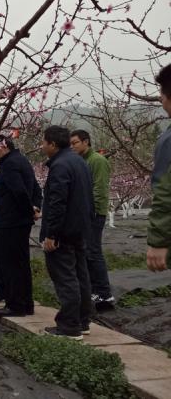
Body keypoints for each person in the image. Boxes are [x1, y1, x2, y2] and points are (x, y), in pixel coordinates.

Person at [40, 125, 94, 340]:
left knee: (65, 277)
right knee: (81, 274)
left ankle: (70, 326)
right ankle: (82, 320)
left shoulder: (60, 166)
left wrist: (52, 234)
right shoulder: (78, 161)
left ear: (53, 144)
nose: (42, 146)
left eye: (44, 142)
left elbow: (58, 202)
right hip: (80, 228)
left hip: (63, 231)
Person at [0, 136, 42, 317]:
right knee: (21, 264)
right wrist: (34, 207)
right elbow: (36, 188)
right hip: (19, 221)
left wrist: (29, 210)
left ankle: (15, 305)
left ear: (3, 148)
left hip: (10, 221)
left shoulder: (9, 164)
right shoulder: (22, 160)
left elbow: (18, 191)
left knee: (11, 264)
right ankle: (26, 303)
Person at [70, 129, 114, 310]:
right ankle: (94, 290)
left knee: (93, 252)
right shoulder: (82, 161)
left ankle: (104, 294)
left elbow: (99, 190)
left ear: (86, 142)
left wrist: (91, 212)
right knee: (86, 252)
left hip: (94, 214)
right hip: (84, 213)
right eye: (71, 143)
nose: (72, 146)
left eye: (75, 143)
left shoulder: (97, 161)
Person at [146, 64, 171, 273]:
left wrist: (158, 241)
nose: (160, 99)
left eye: (162, 93)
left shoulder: (169, 141)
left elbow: (165, 191)